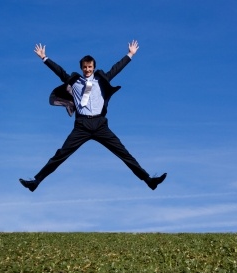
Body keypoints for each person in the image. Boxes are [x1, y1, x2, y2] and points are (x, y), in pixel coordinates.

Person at [19, 40, 166, 192]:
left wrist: (130, 54)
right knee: (61, 154)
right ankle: (36, 181)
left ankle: (149, 180)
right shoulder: (75, 82)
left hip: (100, 124)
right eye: (85, 67)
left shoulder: (101, 80)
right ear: (81, 68)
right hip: (82, 125)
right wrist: (44, 58)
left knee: (124, 153)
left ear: (94, 67)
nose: (87, 69)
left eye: (90, 67)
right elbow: (59, 71)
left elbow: (117, 68)